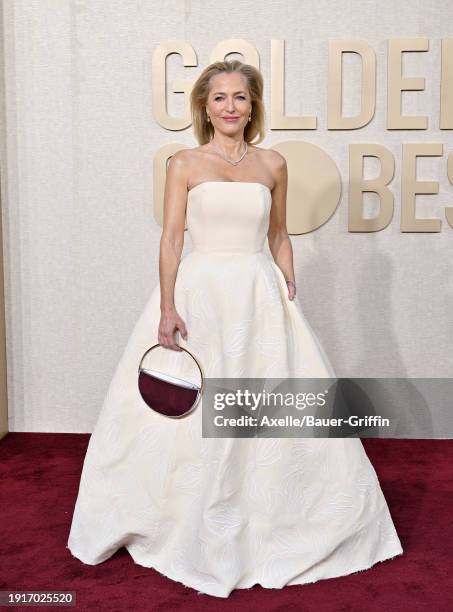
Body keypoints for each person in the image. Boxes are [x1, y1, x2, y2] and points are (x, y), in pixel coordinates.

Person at [67, 60, 403, 598]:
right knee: (189, 411)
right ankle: (183, 518)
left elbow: (279, 234)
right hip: (201, 297)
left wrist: (287, 275)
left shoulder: (272, 163)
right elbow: (172, 240)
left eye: (240, 97)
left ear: (253, 105)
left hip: (258, 295)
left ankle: (276, 518)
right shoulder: (184, 162)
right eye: (219, 97)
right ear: (205, 106)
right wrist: (168, 305)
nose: (230, 106)